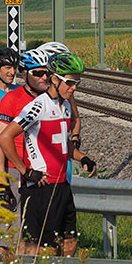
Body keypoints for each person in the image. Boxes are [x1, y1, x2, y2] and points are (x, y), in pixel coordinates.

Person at [0, 53, 97, 257]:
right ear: (55, 79)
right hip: (41, 188)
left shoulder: (65, 105)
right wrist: (26, 171)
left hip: (62, 186)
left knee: (68, 244)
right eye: (70, 83)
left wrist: (82, 157)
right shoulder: (38, 105)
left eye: (78, 83)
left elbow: (59, 140)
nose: (74, 88)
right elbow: (4, 138)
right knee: (40, 249)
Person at [37, 42, 83, 180]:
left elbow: (76, 118)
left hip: (60, 152)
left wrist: (75, 137)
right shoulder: (37, 99)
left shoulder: (66, 95)